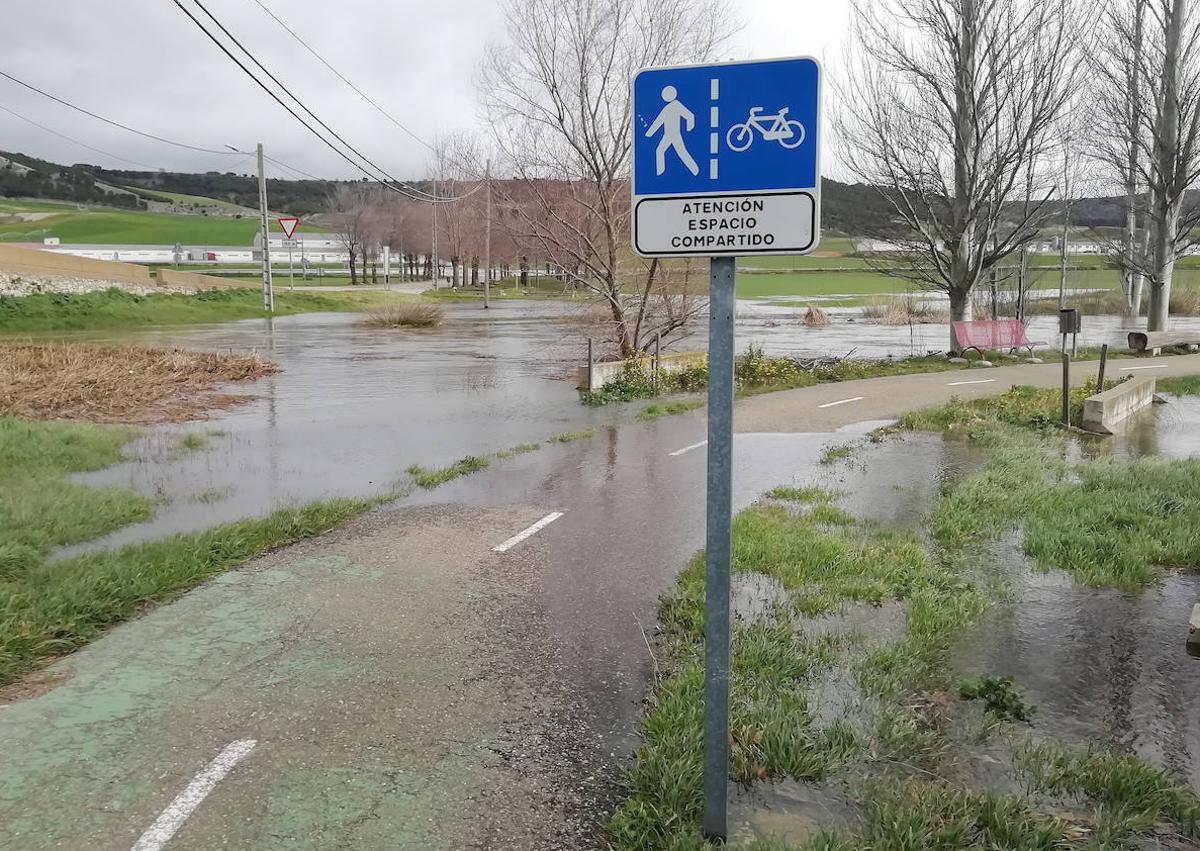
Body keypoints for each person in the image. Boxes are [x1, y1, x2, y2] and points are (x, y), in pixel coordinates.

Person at [646, 85, 699, 176]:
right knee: (660, 150)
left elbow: (690, 116)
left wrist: (689, 127)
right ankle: (660, 173)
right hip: (667, 135)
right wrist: (649, 133)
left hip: (675, 135)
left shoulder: (677, 105)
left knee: (681, 152)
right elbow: (659, 121)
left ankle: (695, 171)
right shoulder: (666, 108)